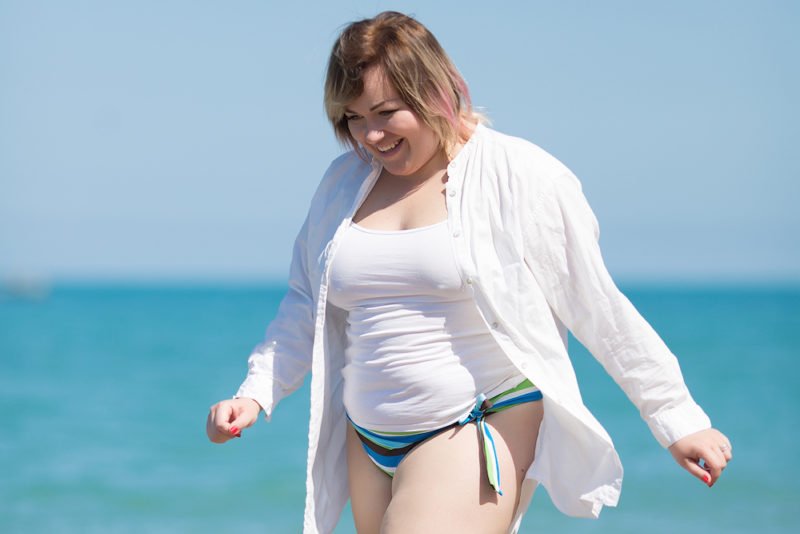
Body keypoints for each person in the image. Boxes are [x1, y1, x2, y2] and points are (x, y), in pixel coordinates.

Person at [206, 11, 732, 534]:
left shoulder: (519, 174)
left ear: (435, 90)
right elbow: (304, 302)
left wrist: (677, 420)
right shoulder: (344, 183)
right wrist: (255, 393)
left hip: (478, 418)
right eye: (353, 118)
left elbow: (596, 304)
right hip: (368, 439)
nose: (369, 134)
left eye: (386, 112)